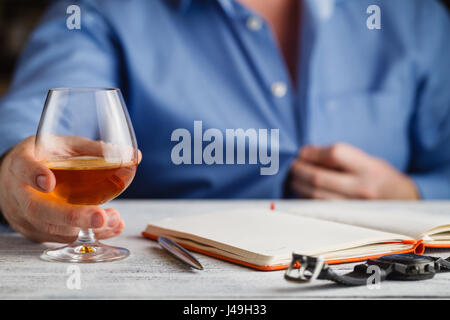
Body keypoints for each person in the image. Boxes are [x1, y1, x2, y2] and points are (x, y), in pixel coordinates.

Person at [0, 0, 449, 242]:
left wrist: (410, 196)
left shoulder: (416, 16)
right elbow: (37, 122)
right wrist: (13, 171)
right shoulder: (101, 10)